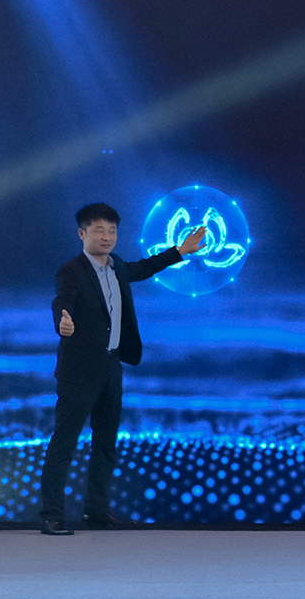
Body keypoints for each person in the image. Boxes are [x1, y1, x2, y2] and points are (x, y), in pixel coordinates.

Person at [39, 202, 206, 535]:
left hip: (112, 367)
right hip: (79, 371)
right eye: (99, 230)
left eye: (112, 230)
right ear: (82, 233)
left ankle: (96, 511)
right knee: (65, 442)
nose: (106, 236)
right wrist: (62, 320)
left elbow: (144, 267)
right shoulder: (71, 271)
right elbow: (63, 301)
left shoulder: (117, 267)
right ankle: (52, 514)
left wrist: (180, 251)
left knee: (106, 442)